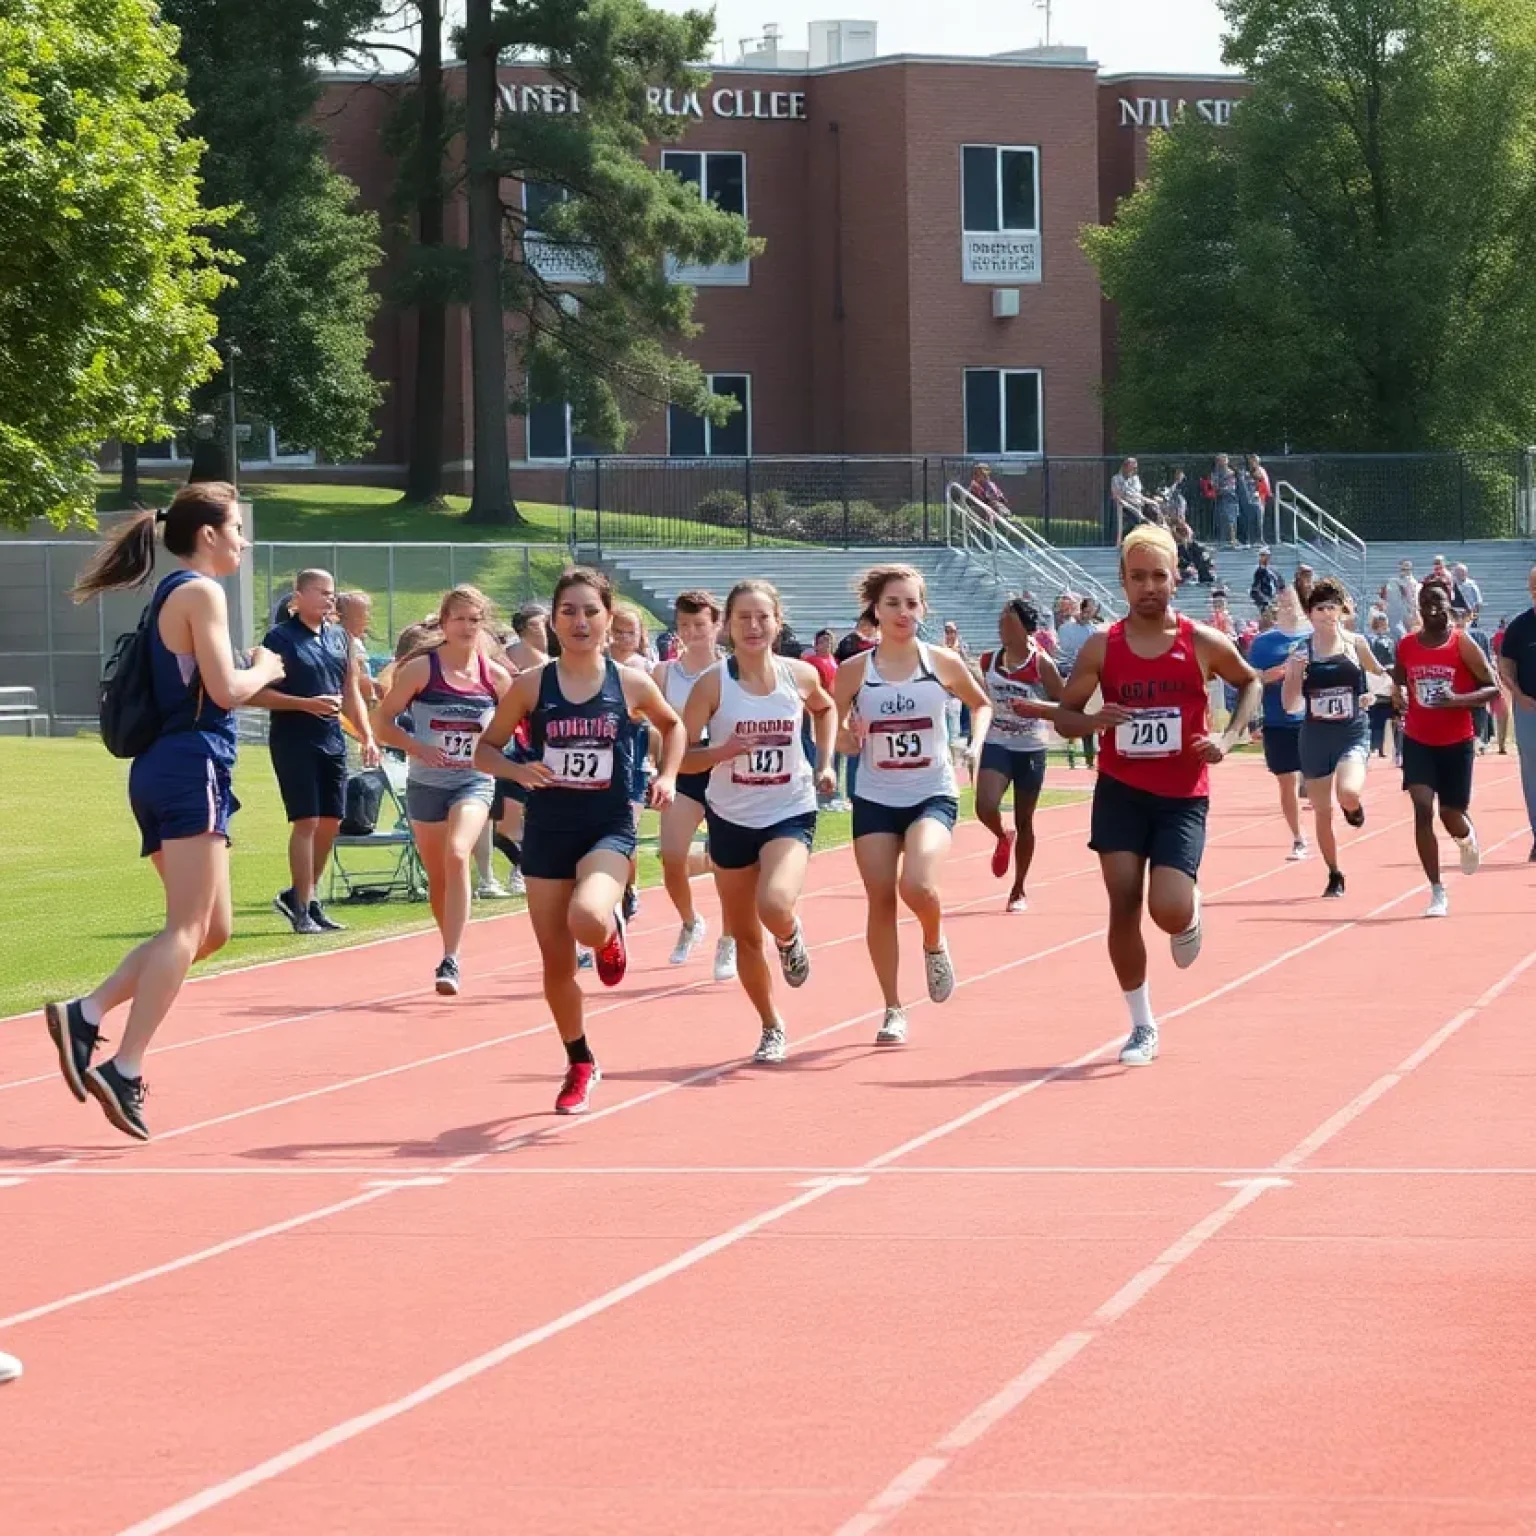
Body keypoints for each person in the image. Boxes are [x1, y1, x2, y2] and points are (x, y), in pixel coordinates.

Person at [45, 484, 286, 1140]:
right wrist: (264, 664)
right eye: (237, 527)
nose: (244, 539)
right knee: (186, 928)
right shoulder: (200, 592)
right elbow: (228, 691)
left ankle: (86, 1014)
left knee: (211, 932)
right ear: (207, 535)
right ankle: (123, 1064)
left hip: (167, 769)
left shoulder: (173, 594)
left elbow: (204, 687)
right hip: (188, 768)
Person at [475, 568, 684, 1114]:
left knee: (587, 918)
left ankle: (610, 927)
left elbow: (674, 725)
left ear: (609, 619)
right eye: (568, 611)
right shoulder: (531, 686)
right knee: (556, 967)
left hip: (608, 823)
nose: (580, 621)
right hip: (547, 829)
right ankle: (580, 1060)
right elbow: (486, 751)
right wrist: (518, 773)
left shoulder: (630, 684)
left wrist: (666, 775)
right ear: (553, 620)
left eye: (591, 611)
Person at [1053, 524, 1260, 1068]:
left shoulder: (1202, 642)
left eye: (1158, 576)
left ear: (1176, 578)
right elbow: (1068, 720)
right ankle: (1142, 1024)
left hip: (1181, 794)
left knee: (1165, 909)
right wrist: (1095, 720)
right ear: (1122, 581)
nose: (1149, 586)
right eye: (1138, 576)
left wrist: (1228, 737)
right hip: (1121, 790)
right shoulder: (1102, 646)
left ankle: (1187, 916)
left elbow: (1251, 682)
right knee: (1122, 904)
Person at [832, 566, 992, 1046]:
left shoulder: (940, 662)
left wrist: (974, 742)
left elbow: (980, 704)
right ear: (875, 612)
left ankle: (933, 939)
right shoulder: (855, 670)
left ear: (923, 609)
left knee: (918, 886)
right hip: (876, 797)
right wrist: (847, 738)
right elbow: (831, 727)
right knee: (880, 898)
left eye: (912, 603)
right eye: (893, 604)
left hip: (932, 792)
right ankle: (892, 1008)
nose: (904, 613)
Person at [681, 581, 836, 1063]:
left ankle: (789, 936)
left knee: (774, 905)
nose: (753, 626)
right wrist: (720, 753)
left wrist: (826, 761)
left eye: (762, 617)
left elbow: (826, 708)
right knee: (746, 934)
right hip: (730, 816)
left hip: (789, 808)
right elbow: (680, 756)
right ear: (727, 625)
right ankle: (771, 1025)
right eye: (743, 617)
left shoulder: (800, 675)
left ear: (777, 622)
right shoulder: (713, 683)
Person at [371, 587, 513, 994]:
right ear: (444, 623)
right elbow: (383, 723)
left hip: (473, 781)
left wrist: (501, 752)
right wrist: (417, 747)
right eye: (459, 619)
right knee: (439, 876)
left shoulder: (495, 678)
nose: (467, 627)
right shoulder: (421, 671)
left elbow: (517, 725)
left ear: (482, 624)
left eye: (474, 619)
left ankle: (451, 958)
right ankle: (449, 944)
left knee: (457, 853)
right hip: (426, 783)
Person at [253, 568, 379, 935]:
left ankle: (302, 895)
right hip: (295, 739)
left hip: (333, 740)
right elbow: (256, 694)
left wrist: (366, 735)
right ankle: (304, 909)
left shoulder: (340, 637)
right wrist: (304, 704)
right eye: (321, 592)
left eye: (331, 593)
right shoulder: (280, 638)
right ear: (299, 596)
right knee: (306, 821)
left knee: (331, 822)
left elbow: (350, 689)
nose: (329, 599)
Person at [1393, 582, 1500, 916]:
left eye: (1438, 601)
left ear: (1449, 606)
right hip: (1418, 740)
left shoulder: (1461, 644)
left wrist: (1457, 701)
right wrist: (1396, 696)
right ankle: (1437, 891)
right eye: (1426, 602)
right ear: (1418, 607)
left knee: (1449, 813)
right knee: (1423, 810)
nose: (1432, 608)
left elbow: (1492, 688)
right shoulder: (1407, 645)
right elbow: (1398, 681)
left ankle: (1466, 838)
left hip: (1456, 742)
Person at [1282, 576, 1390, 898]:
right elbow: (1290, 706)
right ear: (1310, 614)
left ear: (1342, 610)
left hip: (1352, 731)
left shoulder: (1356, 644)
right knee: (1322, 811)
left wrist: (1375, 692)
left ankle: (1353, 807)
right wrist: (1294, 674)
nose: (1327, 614)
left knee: (1348, 792)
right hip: (1315, 737)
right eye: (1320, 608)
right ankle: (1334, 872)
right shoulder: (1301, 652)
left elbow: (1381, 677)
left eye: (1332, 607)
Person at [655, 590, 738, 980]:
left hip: (725, 769)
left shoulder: (733, 670)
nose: (691, 633)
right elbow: (657, 727)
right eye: (684, 626)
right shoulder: (664, 673)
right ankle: (690, 921)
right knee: (671, 857)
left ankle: (730, 938)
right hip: (684, 768)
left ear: (717, 626)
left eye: (699, 625)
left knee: (728, 861)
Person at [972, 598, 1064, 913]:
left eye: (1008, 623)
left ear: (1025, 628)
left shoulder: (1041, 665)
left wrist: (1036, 708)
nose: (1002, 628)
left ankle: (1019, 889)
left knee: (1025, 819)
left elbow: (1067, 709)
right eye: (1000, 622)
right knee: (984, 806)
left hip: (1030, 746)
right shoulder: (987, 660)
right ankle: (1001, 834)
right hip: (998, 742)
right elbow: (974, 695)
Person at [486, 601, 552, 896]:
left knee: (540, 816)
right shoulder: (507, 658)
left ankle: (527, 867)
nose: (546, 629)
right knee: (506, 819)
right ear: (524, 628)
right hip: (513, 745)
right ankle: (521, 865)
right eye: (539, 624)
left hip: (544, 744)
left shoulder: (556, 659)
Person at [1247, 586, 1312, 860]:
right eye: (1282, 602)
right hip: (1278, 722)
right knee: (1287, 782)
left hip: (1313, 720)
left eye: (1292, 602)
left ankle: (1326, 823)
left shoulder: (1315, 637)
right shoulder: (1263, 643)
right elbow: (1248, 681)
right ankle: (1298, 838)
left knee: (1321, 780)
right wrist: (1266, 677)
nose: (1287, 606)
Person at [1496, 565, 1536, 859]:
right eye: (1534, 588)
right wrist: (1518, 695)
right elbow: (1505, 665)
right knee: (1532, 775)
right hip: (1530, 708)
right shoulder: (1520, 627)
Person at [335, 591, 379, 707]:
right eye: (361, 616)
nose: (367, 618)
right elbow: (360, 679)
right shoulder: (349, 643)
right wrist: (372, 697)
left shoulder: (355, 641)